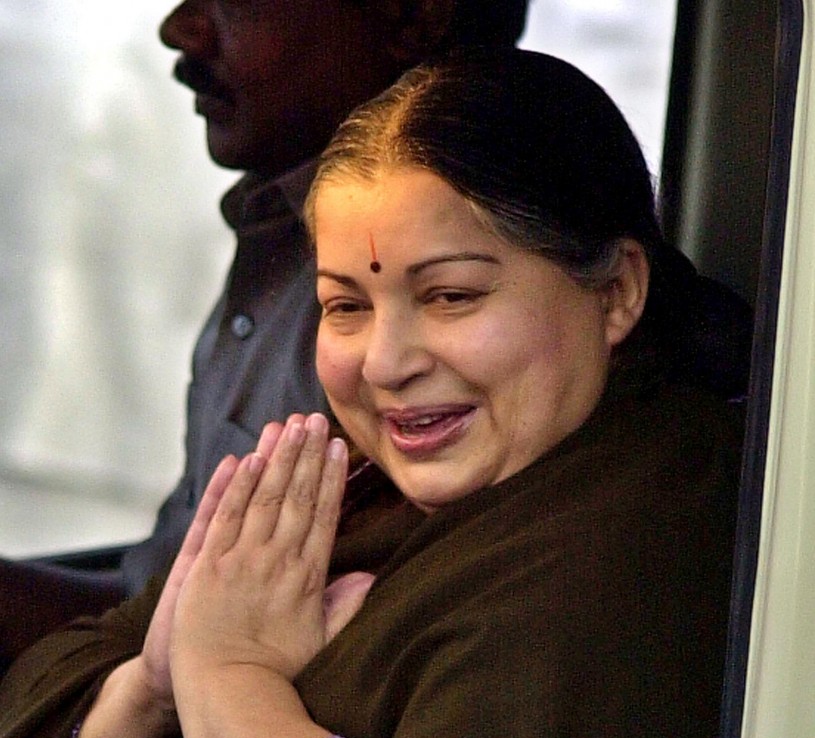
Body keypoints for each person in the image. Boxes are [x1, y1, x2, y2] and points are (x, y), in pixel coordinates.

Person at [0, 49, 743, 738]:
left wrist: (231, 678)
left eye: (450, 296)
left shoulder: (637, 532)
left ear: (616, 294)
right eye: (344, 306)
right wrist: (150, 686)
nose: (385, 363)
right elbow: (96, 690)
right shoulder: (353, 490)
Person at [0, 0, 532, 670]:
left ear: (412, 15)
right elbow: (158, 618)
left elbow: (218, 660)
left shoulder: (461, 349)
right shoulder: (282, 231)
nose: (181, 28)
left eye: (235, 2)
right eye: (344, 304)